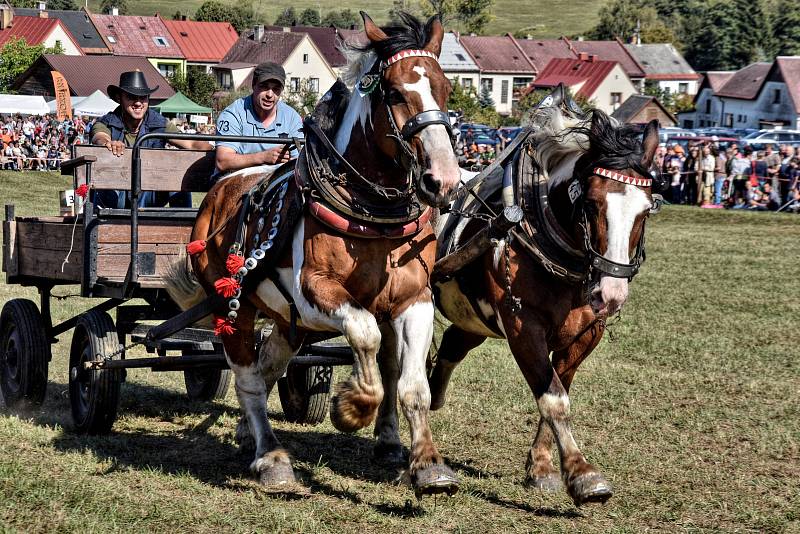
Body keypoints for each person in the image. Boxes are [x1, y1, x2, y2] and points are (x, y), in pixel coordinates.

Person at [91, 70, 212, 208]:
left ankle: (182, 224)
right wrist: (109, 143)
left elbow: (190, 143)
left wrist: (211, 149)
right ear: (119, 98)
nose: (138, 103)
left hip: (149, 191)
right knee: (109, 185)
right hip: (117, 193)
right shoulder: (107, 122)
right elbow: (99, 136)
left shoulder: (158, 122)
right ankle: (112, 221)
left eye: (143, 98)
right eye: (131, 97)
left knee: (175, 177)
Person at [215, 62, 303, 176]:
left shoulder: (292, 118)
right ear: (253, 85)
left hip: (274, 186)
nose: (270, 94)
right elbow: (222, 161)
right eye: (264, 87)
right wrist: (264, 157)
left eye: (276, 89)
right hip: (234, 181)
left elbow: (297, 162)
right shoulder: (233, 114)